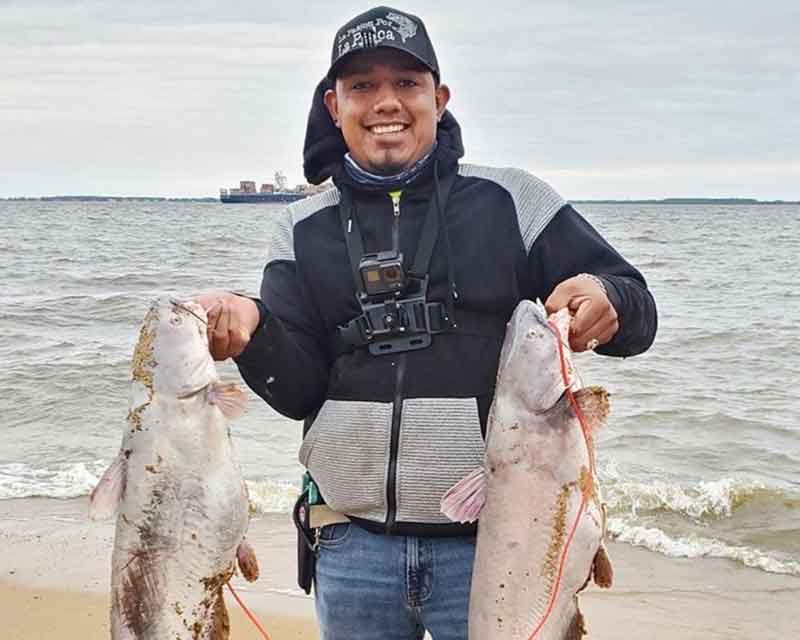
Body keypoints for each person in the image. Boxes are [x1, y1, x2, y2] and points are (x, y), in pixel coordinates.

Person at [197, 6, 657, 639]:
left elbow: (637, 308)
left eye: (406, 84)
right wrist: (253, 334)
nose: (386, 102)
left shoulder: (513, 199)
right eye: (362, 86)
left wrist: (607, 298)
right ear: (334, 106)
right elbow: (297, 389)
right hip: (350, 548)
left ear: (439, 99)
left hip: (501, 545)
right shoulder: (301, 228)